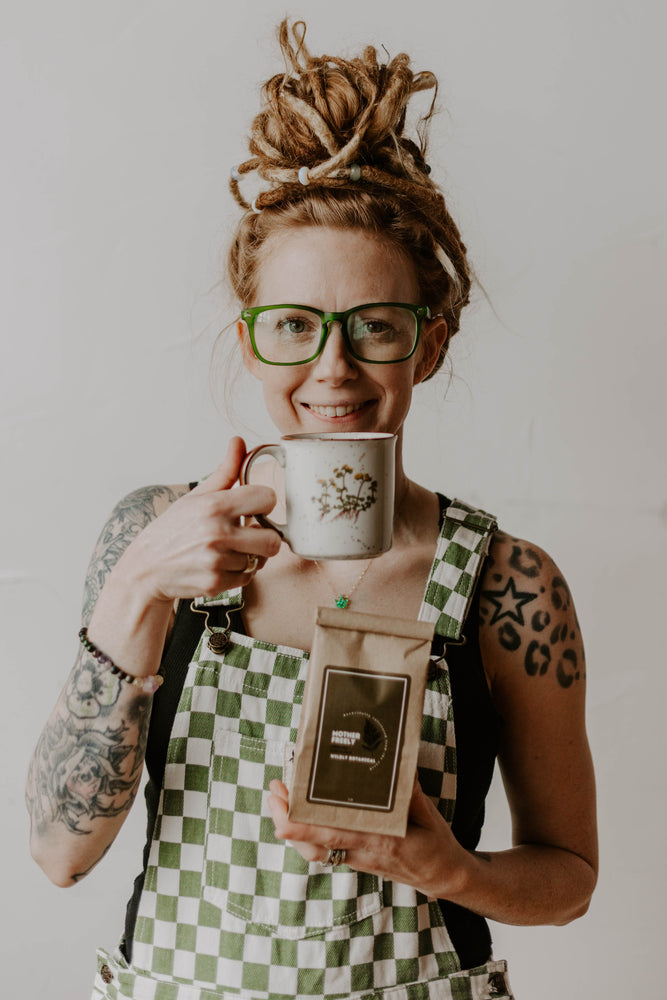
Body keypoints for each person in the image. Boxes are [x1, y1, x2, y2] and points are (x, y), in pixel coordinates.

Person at [26, 20, 597, 1000]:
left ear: (429, 345)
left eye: (374, 326)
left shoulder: (509, 588)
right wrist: (139, 585)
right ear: (251, 342)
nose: (332, 370)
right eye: (293, 326)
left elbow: (568, 876)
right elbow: (58, 852)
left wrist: (442, 867)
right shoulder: (152, 539)